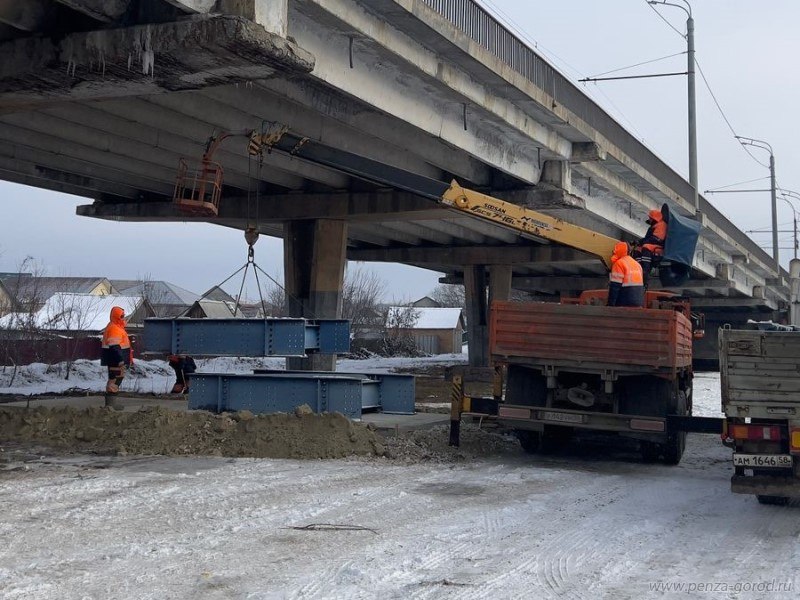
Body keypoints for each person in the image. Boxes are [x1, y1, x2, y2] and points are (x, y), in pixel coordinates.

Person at [100, 306, 132, 406]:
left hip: (116, 359)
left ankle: (111, 403)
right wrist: (120, 360)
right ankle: (110, 405)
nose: (123, 318)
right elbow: (114, 346)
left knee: (117, 378)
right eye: (122, 316)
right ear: (117, 317)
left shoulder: (117, 327)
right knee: (114, 380)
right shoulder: (114, 328)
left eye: (123, 315)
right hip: (115, 360)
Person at [607, 241, 644, 307]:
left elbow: (615, 287)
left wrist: (610, 305)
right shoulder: (637, 264)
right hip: (638, 301)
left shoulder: (619, 263)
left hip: (625, 301)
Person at [635, 209, 668, 284]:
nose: (649, 219)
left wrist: (642, 242)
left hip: (659, 247)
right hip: (653, 245)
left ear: (655, 218)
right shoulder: (654, 226)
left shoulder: (661, 225)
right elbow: (648, 238)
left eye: (650, 218)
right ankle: (639, 267)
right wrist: (638, 242)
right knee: (637, 249)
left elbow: (657, 239)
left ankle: (646, 269)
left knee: (646, 247)